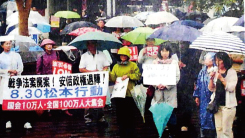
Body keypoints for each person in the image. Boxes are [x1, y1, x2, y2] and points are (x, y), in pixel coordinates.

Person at [0, 40, 32, 132]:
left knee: (19, 99)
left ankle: (25, 122)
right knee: (6, 100)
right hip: (5, 80)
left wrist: (16, 72)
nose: (8, 45)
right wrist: (8, 71)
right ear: (2, 45)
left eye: (10, 43)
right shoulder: (0, 57)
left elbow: (21, 67)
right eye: (6, 44)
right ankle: (8, 120)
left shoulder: (16, 55)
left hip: (17, 80)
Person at [109, 46, 141, 138]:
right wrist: (107, 73)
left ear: (128, 56)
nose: (123, 57)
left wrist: (128, 76)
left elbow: (138, 76)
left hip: (130, 93)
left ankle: (131, 131)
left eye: (125, 55)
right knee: (120, 114)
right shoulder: (115, 66)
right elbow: (113, 78)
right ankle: (121, 131)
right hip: (118, 94)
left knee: (130, 114)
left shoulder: (133, 65)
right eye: (121, 55)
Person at [36, 39, 73, 116]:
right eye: (47, 45)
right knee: (48, 94)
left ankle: (64, 109)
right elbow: (38, 69)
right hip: (46, 78)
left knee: (62, 92)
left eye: (50, 44)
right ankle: (48, 110)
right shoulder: (41, 56)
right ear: (44, 47)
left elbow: (61, 64)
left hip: (57, 76)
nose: (49, 46)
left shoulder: (57, 54)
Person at [151, 42, 180, 137]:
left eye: (166, 51)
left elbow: (177, 77)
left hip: (170, 93)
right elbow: (151, 76)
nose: (164, 53)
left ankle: (172, 133)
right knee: (159, 114)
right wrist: (157, 85)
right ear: (159, 52)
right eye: (162, 51)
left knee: (171, 114)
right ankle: (161, 132)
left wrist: (167, 85)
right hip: (158, 93)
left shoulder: (174, 62)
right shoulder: (155, 62)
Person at [79, 40, 110, 126]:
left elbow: (106, 65)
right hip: (88, 80)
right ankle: (88, 119)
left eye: (92, 43)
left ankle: (101, 118)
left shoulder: (102, 54)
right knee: (88, 99)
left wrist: (101, 72)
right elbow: (81, 69)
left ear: (96, 44)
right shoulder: (84, 56)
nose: (91, 45)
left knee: (100, 98)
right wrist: (92, 72)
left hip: (100, 80)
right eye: (89, 44)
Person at [208, 52, 237, 138]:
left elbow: (231, 88)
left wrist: (221, 78)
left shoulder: (232, 72)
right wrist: (211, 78)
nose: (217, 62)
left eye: (219, 60)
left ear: (224, 61)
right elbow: (211, 88)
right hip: (217, 104)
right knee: (219, 129)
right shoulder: (216, 71)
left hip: (228, 106)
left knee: (226, 131)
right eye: (216, 60)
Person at [193, 52, 216, 138]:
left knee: (212, 118)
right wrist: (196, 96)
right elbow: (198, 84)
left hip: (211, 99)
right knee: (203, 117)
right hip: (203, 98)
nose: (205, 60)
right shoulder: (202, 71)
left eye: (207, 58)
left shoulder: (215, 70)